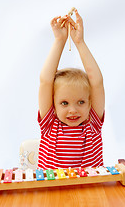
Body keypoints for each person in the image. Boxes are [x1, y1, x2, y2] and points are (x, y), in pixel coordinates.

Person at [38, 9, 105, 169]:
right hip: (53, 191)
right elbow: (45, 81)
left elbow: (97, 83)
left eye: (81, 102)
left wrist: (79, 42)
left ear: (90, 104)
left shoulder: (93, 124)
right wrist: (59, 41)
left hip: (89, 191)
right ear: (52, 104)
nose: (73, 110)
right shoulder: (49, 124)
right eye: (64, 103)